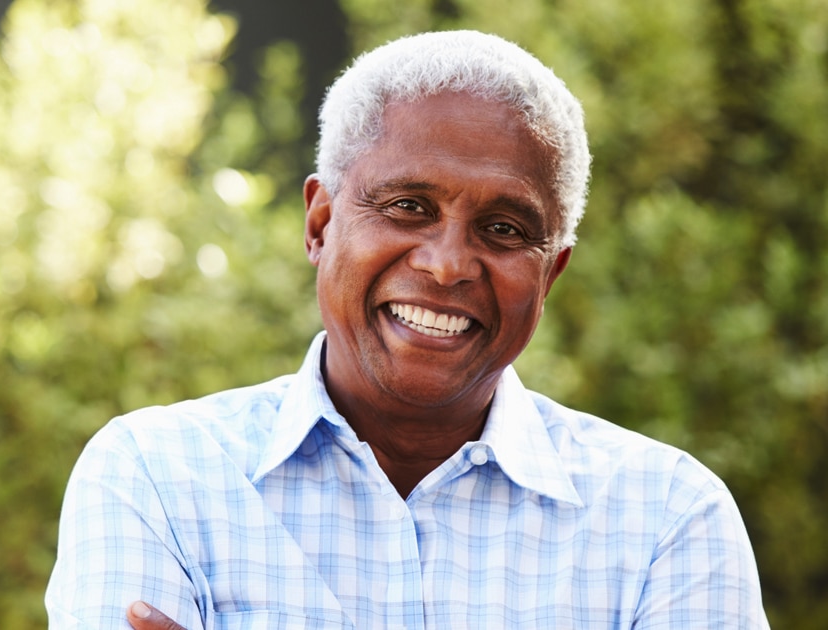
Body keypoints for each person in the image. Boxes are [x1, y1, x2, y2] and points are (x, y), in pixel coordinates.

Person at [46, 31, 769, 629]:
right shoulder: (156, 478)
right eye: (407, 206)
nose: (449, 264)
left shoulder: (667, 520)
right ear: (321, 223)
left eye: (505, 228)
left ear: (550, 274)